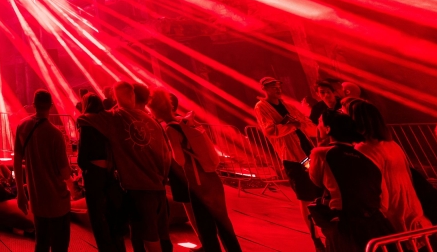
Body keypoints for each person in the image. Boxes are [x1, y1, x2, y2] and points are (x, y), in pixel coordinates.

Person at [79, 82, 171, 252]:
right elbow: (167, 155)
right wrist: (162, 178)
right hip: (158, 187)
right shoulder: (152, 121)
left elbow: (84, 118)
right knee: (161, 235)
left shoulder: (116, 118)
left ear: (115, 98)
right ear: (133, 95)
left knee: (148, 239)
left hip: (138, 189)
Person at [150, 90, 241, 252]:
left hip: (197, 182)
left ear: (156, 109)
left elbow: (179, 159)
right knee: (223, 221)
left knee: (205, 224)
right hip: (211, 176)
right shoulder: (183, 121)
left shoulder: (170, 129)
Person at [308, 110, 392, 252]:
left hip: (345, 224)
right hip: (375, 223)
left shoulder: (321, 153)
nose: (318, 126)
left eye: (320, 122)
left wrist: (319, 144)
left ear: (328, 129)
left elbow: (316, 180)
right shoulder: (367, 158)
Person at [254, 77, 321, 249]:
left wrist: (298, 124)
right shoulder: (262, 107)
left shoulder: (287, 105)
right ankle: (314, 235)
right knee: (305, 195)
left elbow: (305, 123)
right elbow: (270, 130)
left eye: (278, 85)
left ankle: (323, 228)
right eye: (272, 86)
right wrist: (293, 126)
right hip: (292, 157)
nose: (277, 89)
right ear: (264, 89)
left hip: (307, 152)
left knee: (317, 190)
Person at [349, 99, 431, 232]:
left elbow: (377, 185)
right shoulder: (392, 145)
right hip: (412, 208)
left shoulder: (363, 149)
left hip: (393, 212)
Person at [14, 89, 72, 252]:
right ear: (51, 106)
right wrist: (73, 185)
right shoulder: (55, 134)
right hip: (57, 201)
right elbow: (64, 172)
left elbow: (17, 161)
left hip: (37, 199)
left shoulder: (22, 126)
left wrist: (20, 193)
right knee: (60, 246)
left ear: (34, 104)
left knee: (41, 244)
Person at [77, 93, 125, 252]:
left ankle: (105, 248)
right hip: (112, 171)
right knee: (113, 211)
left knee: (97, 214)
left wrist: (83, 168)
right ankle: (119, 246)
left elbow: (83, 152)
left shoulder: (86, 121)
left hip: (94, 172)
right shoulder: (110, 120)